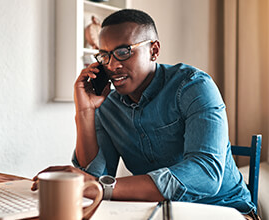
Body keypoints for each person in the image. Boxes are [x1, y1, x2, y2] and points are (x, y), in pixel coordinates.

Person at [32, 9, 258, 219]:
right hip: (157, 210)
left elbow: (205, 173)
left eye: (123, 52)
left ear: (154, 50)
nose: (112, 65)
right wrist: (85, 112)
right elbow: (94, 175)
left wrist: (103, 187)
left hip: (224, 208)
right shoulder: (108, 104)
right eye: (104, 55)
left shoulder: (193, 86)